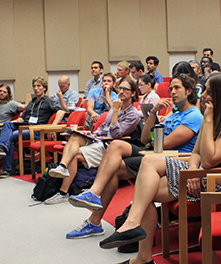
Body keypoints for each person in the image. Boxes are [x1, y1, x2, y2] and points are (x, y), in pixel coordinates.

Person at [97, 72, 221, 264]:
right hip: (203, 175)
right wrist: (192, 171)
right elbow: (197, 154)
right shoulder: (217, 117)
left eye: (208, 90)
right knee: (146, 184)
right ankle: (141, 252)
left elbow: (209, 160)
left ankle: (134, 229)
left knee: (148, 175)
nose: (203, 94)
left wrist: (206, 120)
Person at [65, 74, 202, 239]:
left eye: (177, 88)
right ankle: (94, 209)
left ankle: (95, 210)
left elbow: (163, 144)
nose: (172, 92)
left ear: (188, 91)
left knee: (116, 151)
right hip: (156, 154)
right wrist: (153, 112)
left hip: (171, 162)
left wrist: (153, 141)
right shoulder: (173, 115)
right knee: (114, 159)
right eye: (171, 88)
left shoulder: (194, 116)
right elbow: (145, 139)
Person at [46, 78, 141, 204]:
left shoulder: (133, 114)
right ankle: (62, 166)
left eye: (125, 89)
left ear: (133, 93)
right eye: (120, 88)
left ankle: (63, 192)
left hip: (109, 145)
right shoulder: (115, 107)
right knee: (74, 137)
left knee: (73, 155)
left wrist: (116, 113)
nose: (121, 91)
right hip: (99, 138)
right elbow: (103, 127)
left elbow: (116, 134)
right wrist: (93, 133)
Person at [0, 78, 64, 177]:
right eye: (34, 86)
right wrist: (16, 121)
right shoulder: (32, 102)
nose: (36, 88)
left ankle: (6, 169)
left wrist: (53, 126)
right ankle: (1, 148)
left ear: (44, 88)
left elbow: (61, 111)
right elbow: (22, 118)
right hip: (26, 126)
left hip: (37, 130)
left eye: (39, 86)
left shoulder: (48, 100)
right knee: (7, 124)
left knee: (12, 135)